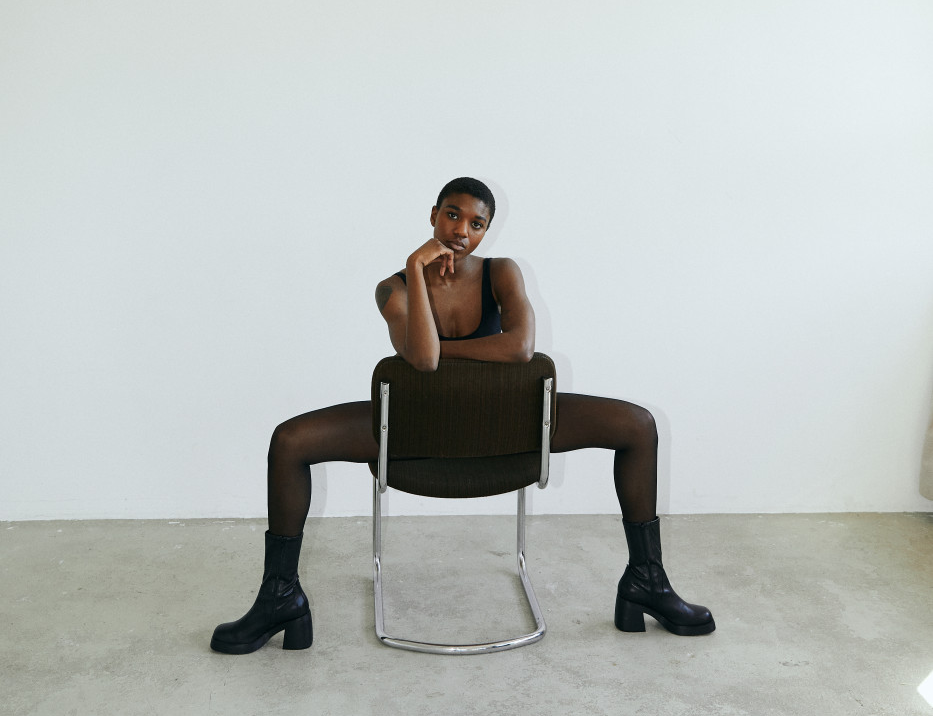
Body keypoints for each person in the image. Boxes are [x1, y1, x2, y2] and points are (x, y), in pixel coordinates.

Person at [210, 177, 714, 654]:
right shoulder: (393, 289)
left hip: (505, 429)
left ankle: (647, 583)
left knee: (637, 426)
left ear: (486, 231)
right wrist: (415, 269)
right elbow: (429, 360)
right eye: (452, 215)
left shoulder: (502, 272)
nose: (461, 231)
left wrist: (442, 351)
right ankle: (279, 598)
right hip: (414, 431)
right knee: (290, 441)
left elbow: (519, 348)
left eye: (476, 224)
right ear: (433, 215)